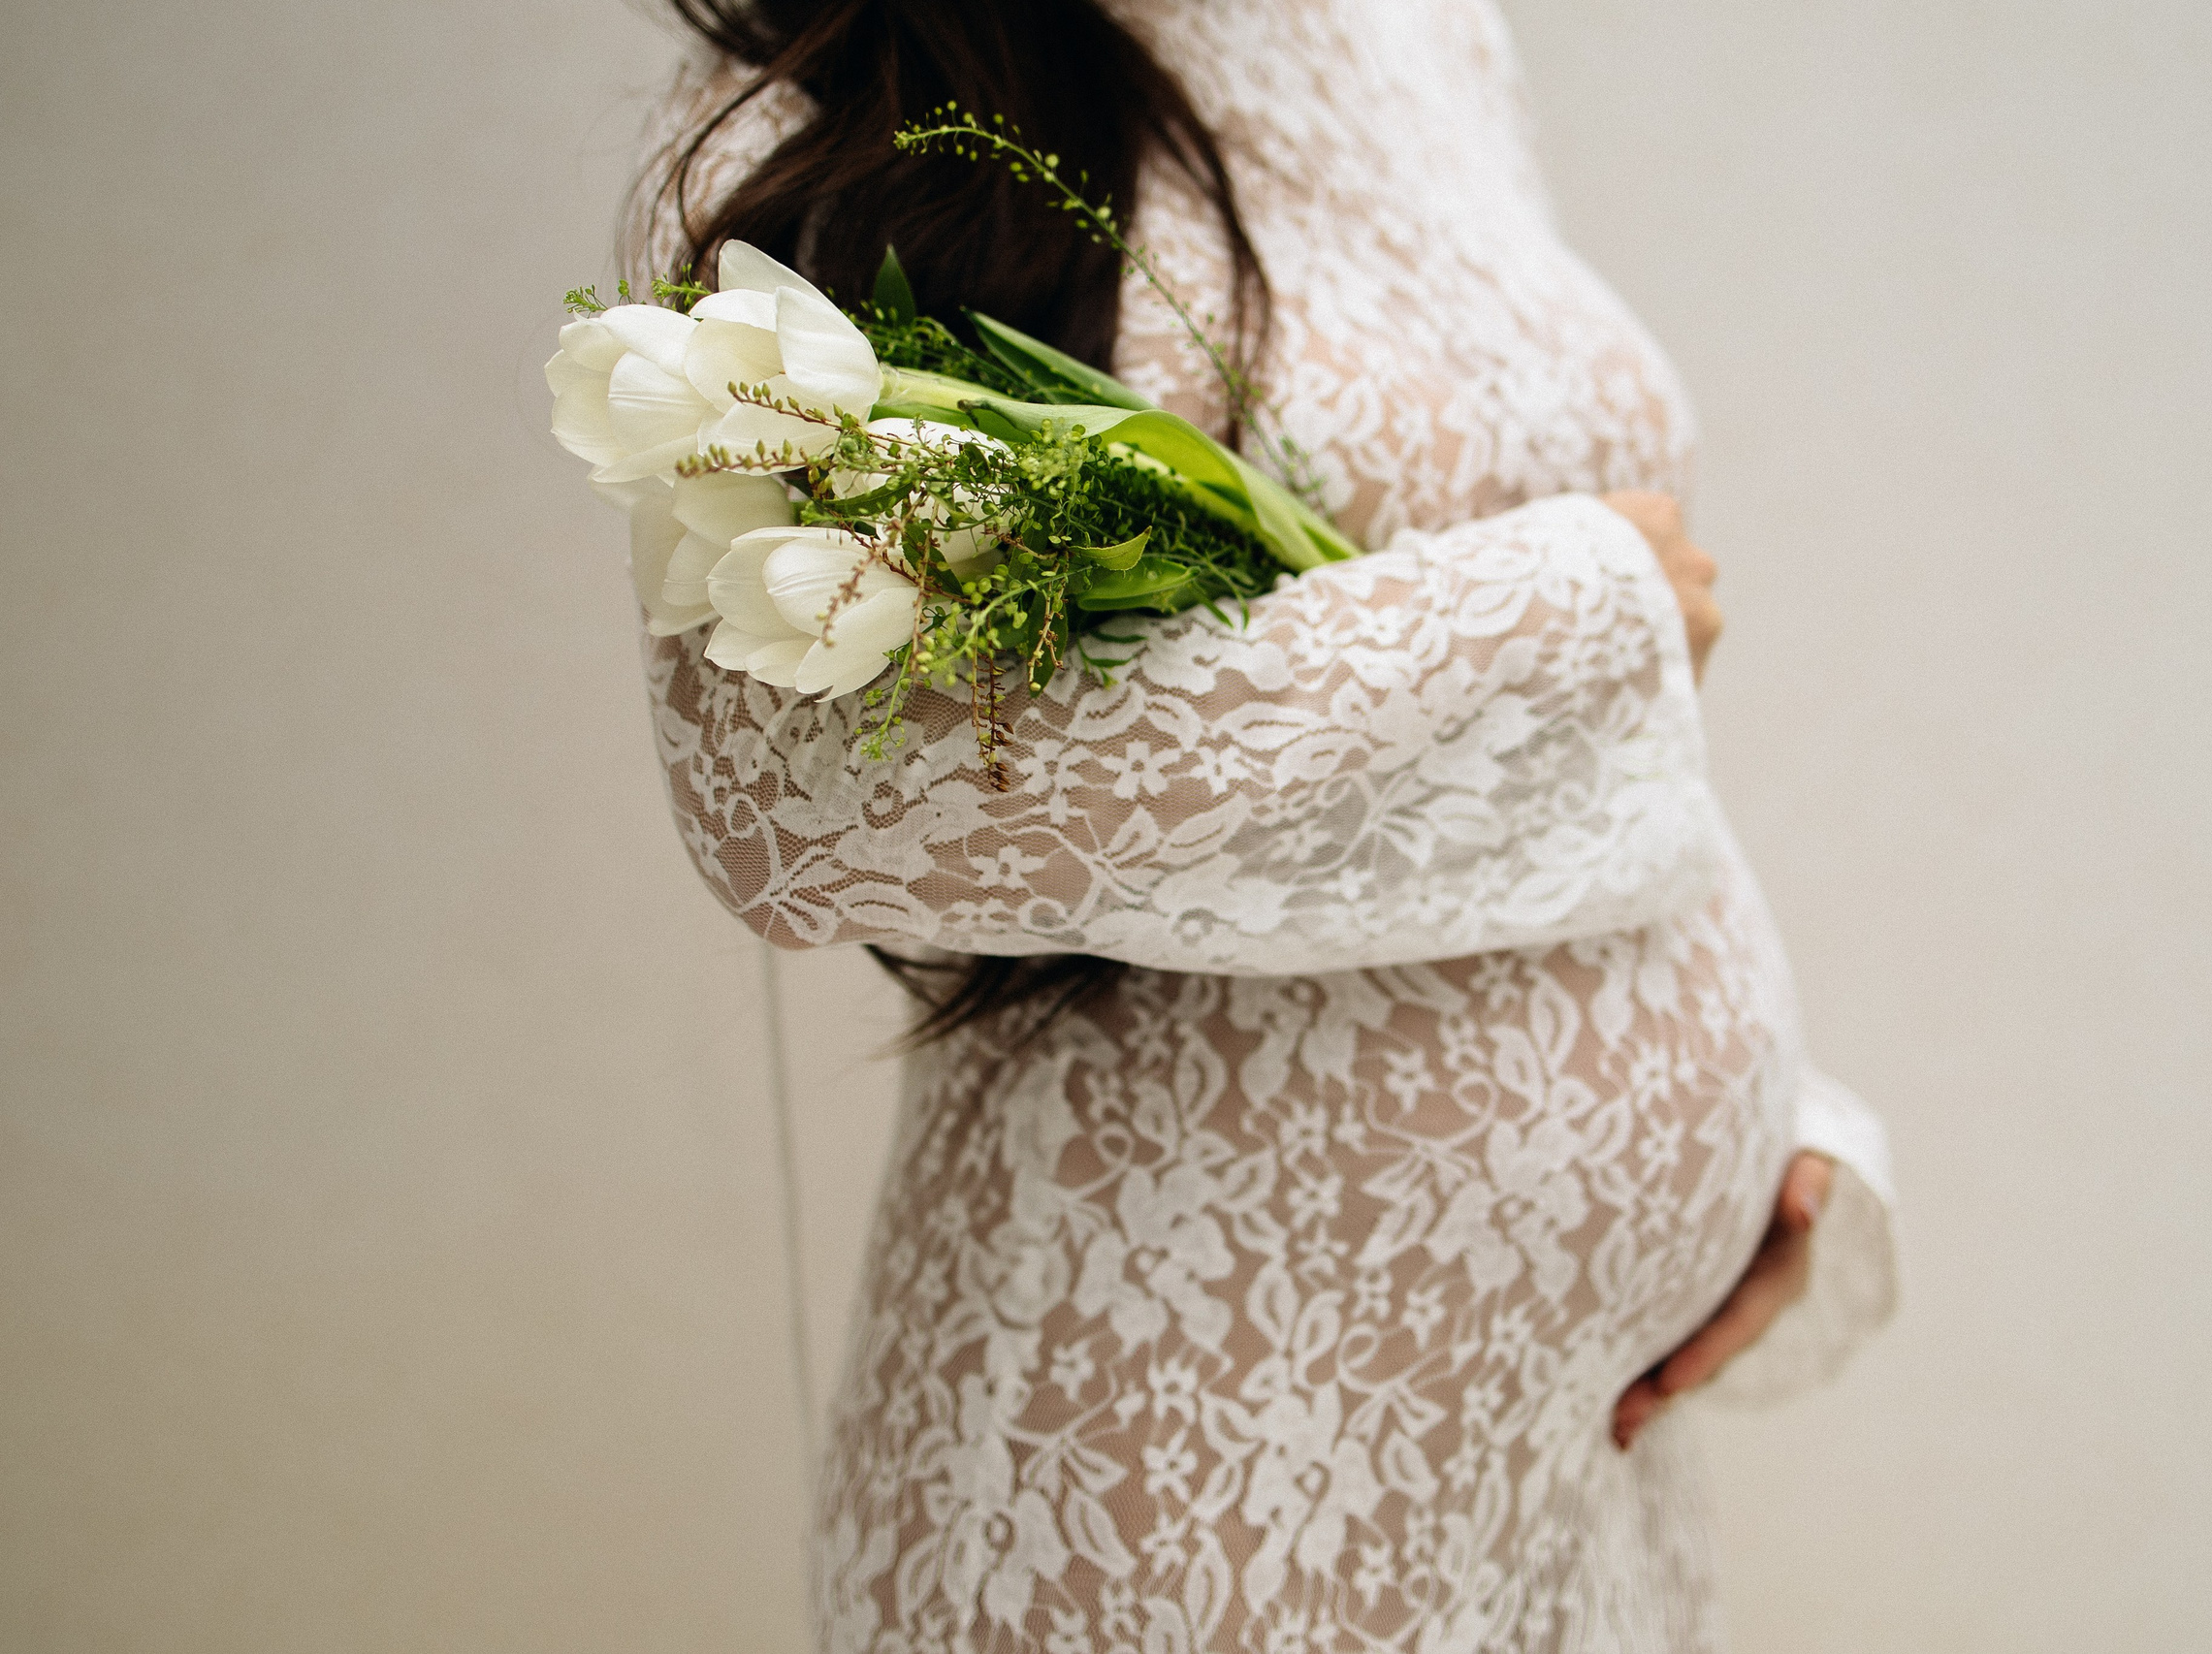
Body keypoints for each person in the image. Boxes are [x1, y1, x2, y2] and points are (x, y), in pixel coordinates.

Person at [625, 1, 1895, 1647]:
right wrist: (1566, 609)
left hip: (1575, 1476)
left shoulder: (1425, 31)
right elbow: (793, 803)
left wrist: (1774, 1118)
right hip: (1184, 1449)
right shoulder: (822, 101)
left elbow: (1505, 756)